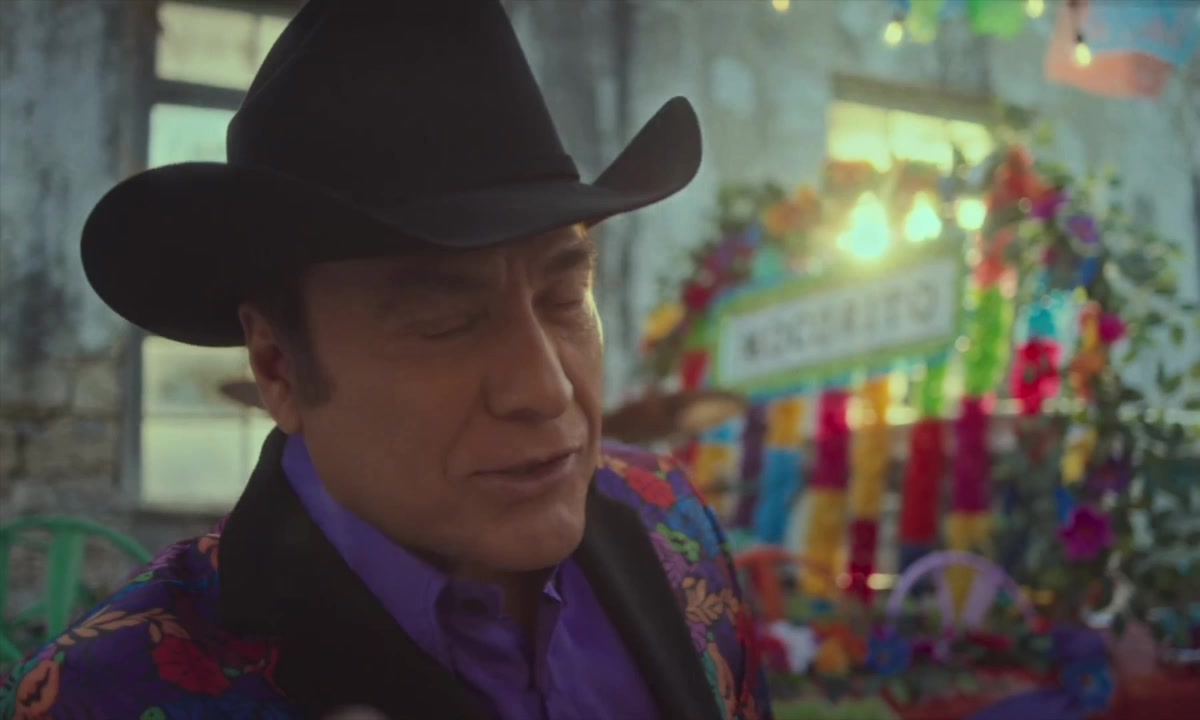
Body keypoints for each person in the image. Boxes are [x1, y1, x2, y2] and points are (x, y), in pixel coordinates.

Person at [0, 1, 771, 718]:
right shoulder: (110, 693)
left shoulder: (673, 521)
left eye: (564, 297)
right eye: (444, 321)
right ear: (278, 366)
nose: (544, 388)